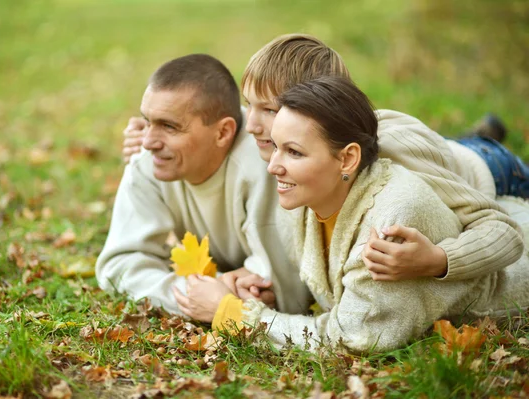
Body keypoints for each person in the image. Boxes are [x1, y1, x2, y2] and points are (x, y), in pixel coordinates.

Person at [122, 34, 527, 284]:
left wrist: (440, 259)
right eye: (250, 107)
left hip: (493, 170)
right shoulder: (284, 138)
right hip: (440, 147)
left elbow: (500, 230)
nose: (251, 125)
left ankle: (479, 142)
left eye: (270, 110)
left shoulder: (393, 152)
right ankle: (474, 134)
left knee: (447, 150)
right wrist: (161, 131)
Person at [173, 76, 529, 353]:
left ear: (347, 159)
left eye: (294, 153)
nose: (274, 168)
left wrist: (232, 314)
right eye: (276, 148)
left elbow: (352, 337)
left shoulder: (390, 226)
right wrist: (261, 287)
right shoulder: (300, 201)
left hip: (507, 215)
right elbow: (330, 286)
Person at [96, 54, 312, 316]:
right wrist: (207, 295)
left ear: (222, 132)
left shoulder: (268, 162)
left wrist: (225, 300)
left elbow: (285, 288)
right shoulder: (148, 161)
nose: (148, 141)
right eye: (148, 121)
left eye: (169, 126)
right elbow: (118, 265)